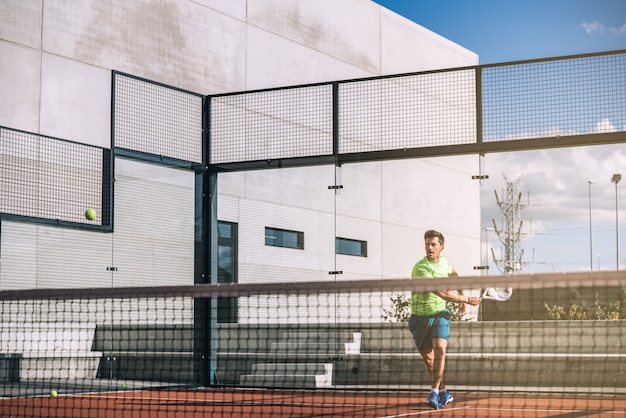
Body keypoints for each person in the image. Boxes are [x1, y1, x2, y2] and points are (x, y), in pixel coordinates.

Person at [408, 229, 480, 410]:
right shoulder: (421, 268)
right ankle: (444, 392)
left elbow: (454, 275)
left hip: (440, 313)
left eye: (433, 244)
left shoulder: (445, 262)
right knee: (429, 360)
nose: (429, 248)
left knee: (441, 348)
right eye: (427, 244)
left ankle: (433, 391)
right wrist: (467, 300)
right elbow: (441, 292)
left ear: (441, 247)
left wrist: (463, 293)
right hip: (419, 318)